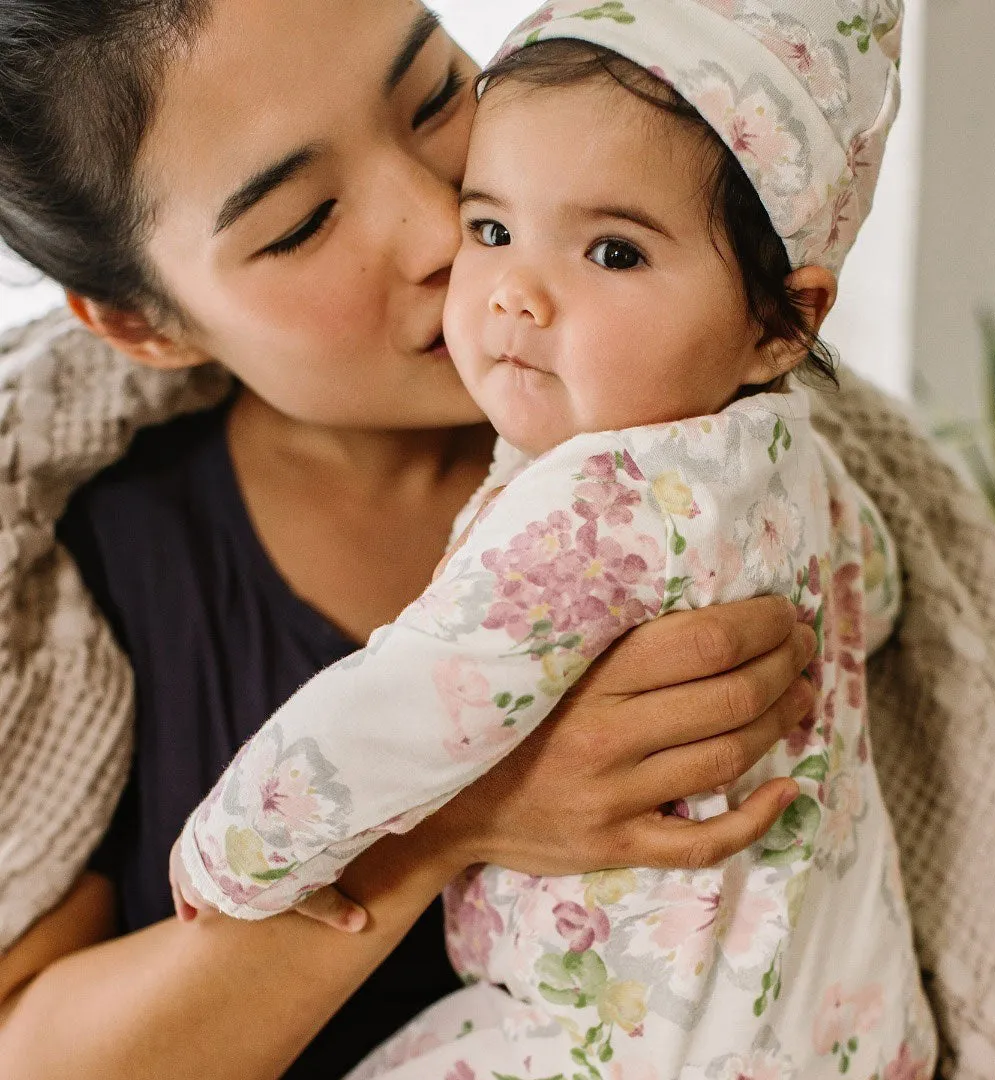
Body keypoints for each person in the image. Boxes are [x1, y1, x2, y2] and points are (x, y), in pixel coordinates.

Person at [0, 3, 817, 1077]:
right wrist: (446, 819)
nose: (444, 226)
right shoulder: (75, 560)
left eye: (436, 94)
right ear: (146, 324)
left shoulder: (728, 429)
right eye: (301, 221)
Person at [169, 2, 935, 1077]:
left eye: (613, 251)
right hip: (852, 1018)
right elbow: (879, 593)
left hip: (621, 1047)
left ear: (783, 322)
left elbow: (405, 709)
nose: (514, 293)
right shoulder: (794, 456)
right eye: (491, 229)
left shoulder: (601, 509)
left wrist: (233, 852)